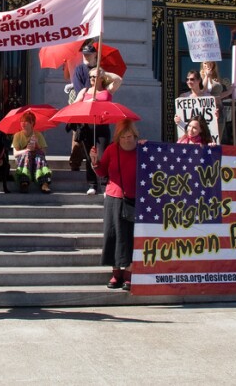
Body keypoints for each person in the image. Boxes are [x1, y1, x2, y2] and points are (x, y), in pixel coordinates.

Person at [90, 119, 140, 292]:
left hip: (133, 199)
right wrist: (94, 161)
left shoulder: (141, 150)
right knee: (112, 236)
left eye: (130, 136)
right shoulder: (112, 149)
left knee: (129, 238)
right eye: (124, 136)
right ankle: (116, 273)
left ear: (135, 135)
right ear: (118, 137)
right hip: (113, 197)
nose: (127, 140)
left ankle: (129, 274)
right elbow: (102, 171)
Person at [73, 66, 123, 195]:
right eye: (90, 77)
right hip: (87, 127)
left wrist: (105, 72)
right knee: (90, 157)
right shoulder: (84, 91)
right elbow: (74, 105)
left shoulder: (107, 91)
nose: (92, 79)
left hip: (102, 126)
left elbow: (118, 80)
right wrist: (88, 101)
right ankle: (92, 184)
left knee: (102, 156)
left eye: (94, 76)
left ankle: (105, 183)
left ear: (101, 78)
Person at [67, 43, 99, 170]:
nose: (86, 56)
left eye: (88, 54)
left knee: (93, 134)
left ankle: (93, 162)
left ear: (95, 55)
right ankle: (75, 163)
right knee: (79, 134)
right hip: (82, 104)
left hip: (96, 106)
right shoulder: (79, 69)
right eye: (84, 54)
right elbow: (78, 88)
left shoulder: (98, 70)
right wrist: (88, 95)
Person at [11, 110, 53, 193]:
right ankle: (24, 181)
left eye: (26, 121)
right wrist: (26, 150)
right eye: (22, 121)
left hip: (36, 161)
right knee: (27, 154)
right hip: (24, 161)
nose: (23, 123)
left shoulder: (38, 134)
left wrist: (37, 145)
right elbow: (15, 154)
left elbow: (44, 153)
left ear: (32, 123)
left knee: (39, 157)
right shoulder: (17, 135)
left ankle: (44, 183)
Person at [174, 69, 218, 136]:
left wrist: (216, 115)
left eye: (192, 79)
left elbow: (213, 118)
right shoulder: (183, 97)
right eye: (187, 79)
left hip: (203, 135)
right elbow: (180, 115)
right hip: (188, 135)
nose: (189, 82)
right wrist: (176, 119)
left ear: (199, 80)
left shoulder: (207, 97)